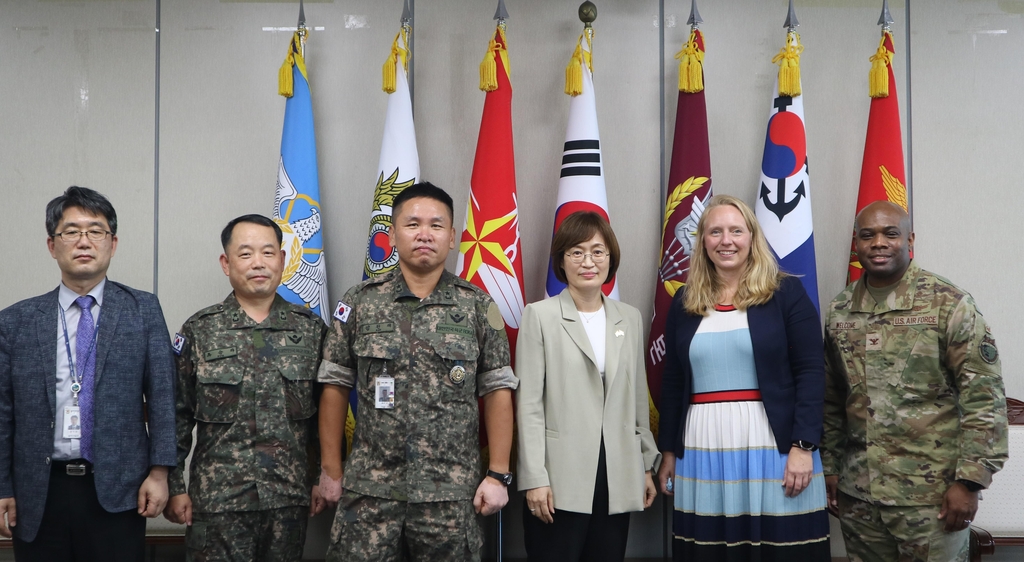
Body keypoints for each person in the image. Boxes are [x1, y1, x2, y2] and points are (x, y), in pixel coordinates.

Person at [317, 182, 518, 561]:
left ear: (453, 237)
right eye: (412, 224)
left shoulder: (478, 307)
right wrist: (330, 469)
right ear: (392, 235)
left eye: (436, 225)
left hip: (450, 495)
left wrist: (498, 474)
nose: (424, 234)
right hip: (369, 492)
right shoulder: (359, 302)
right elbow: (334, 386)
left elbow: (497, 391)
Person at [821, 201, 1008, 562]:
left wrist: (969, 482)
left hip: (931, 497)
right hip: (860, 494)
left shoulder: (948, 303)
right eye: (868, 235)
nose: (878, 242)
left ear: (909, 239)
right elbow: (832, 397)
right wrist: (829, 467)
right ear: (855, 244)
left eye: (890, 233)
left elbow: (983, 397)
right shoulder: (840, 310)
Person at [0, 186, 176, 561]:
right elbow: (2, 413)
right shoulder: (15, 321)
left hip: (119, 488)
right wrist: (1, 487)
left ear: (113, 243)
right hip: (38, 492)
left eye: (96, 231)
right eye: (71, 231)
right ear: (52, 245)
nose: (84, 241)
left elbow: (163, 397)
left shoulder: (142, 310)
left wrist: (160, 474)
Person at [656, 194, 831, 561]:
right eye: (715, 231)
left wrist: (803, 445)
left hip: (774, 445)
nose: (726, 241)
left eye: (736, 230)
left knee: (778, 548)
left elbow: (812, 371)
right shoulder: (686, 301)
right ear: (702, 241)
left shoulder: (785, 293)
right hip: (702, 446)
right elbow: (673, 380)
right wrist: (669, 451)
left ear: (752, 237)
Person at [164, 214, 327, 561]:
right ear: (226, 263)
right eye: (246, 254)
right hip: (217, 501)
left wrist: (320, 476)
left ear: (283, 260)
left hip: (288, 500)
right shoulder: (200, 330)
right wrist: (174, 486)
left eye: (268, 253)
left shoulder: (311, 331)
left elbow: (325, 416)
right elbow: (175, 414)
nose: (258, 263)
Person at [516, 211, 659, 562]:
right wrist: (534, 477)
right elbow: (529, 405)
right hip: (558, 479)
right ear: (561, 261)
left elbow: (637, 398)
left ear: (611, 258)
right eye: (576, 252)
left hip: (616, 475)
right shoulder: (540, 316)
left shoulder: (630, 317)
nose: (588, 261)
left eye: (598, 251)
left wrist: (644, 465)